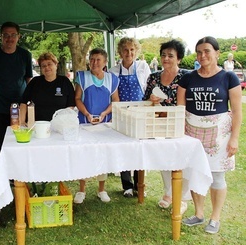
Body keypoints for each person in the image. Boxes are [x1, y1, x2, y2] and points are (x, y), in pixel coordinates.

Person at [178, 36, 242, 234]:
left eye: (206, 51)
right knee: (193, 173)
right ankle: (198, 214)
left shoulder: (229, 78)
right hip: (191, 134)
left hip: (219, 137)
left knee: (217, 177)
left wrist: (234, 138)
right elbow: (180, 109)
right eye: (198, 52)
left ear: (217, 53)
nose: (202, 55)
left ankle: (215, 218)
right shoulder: (187, 78)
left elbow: (237, 111)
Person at [143, 39, 191, 214]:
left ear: (179, 58)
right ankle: (169, 193)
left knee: (181, 161)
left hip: (180, 124)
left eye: (171, 55)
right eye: (163, 55)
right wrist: (151, 100)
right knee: (164, 159)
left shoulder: (186, 76)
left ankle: (182, 198)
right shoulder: (154, 77)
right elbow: (145, 100)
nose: (166, 58)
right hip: (159, 124)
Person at [0, 21, 33, 189]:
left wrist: (30, 105)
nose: (9, 38)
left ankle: (18, 180)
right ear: (1, 36)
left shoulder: (25, 55)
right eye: (6, 35)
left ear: (18, 36)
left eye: (13, 35)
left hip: (18, 110)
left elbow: (29, 81)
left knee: (19, 145)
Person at [73, 48, 120, 204]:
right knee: (83, 154)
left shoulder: (112, 79)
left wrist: (104, 114)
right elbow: (77, 98)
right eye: (92, 59)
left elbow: (115, 101)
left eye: (98, 59)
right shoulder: (82, 77)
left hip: (105, 124)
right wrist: (86, 114)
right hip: (84, 122)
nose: (94, 62)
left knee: (103, 155)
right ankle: (81, 189)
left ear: (105, 62)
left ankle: (101, 189)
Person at [109, 37, 151, 198]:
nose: (129, 53)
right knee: (124, 148)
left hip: (140, 113)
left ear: (136, 51)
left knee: (139, 149)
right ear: (120, 52)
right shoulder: (113, 71)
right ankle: (127, 185)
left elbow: (148, 88)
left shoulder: (142, 66)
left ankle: (139, 185)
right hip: (122, 114)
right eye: (126, 50)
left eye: (132, 50)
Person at [19, 52, 75, 122]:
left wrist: (63, 122)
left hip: (59, 125)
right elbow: (23, 103)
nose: (47, 67)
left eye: (49, 64)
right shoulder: (35, 82)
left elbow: (71, 105)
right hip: (37, 125)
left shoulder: (64, 82)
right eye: (43, 66)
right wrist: (22, 122)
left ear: (56, 65)